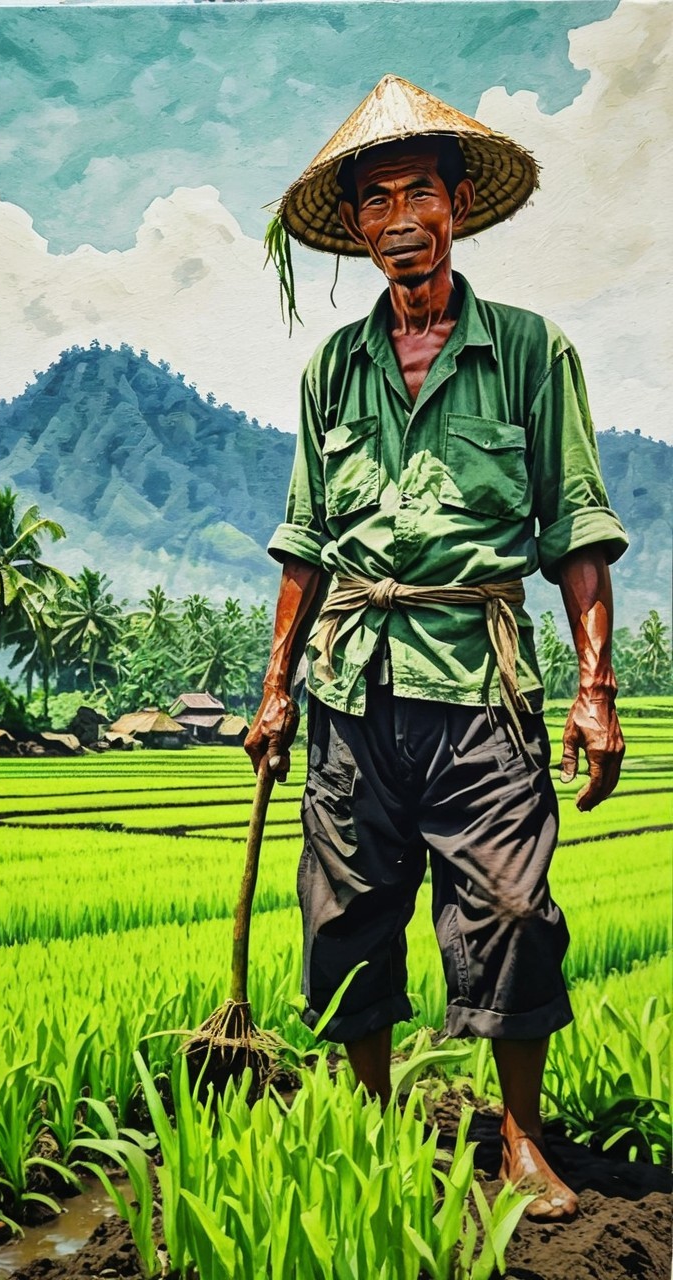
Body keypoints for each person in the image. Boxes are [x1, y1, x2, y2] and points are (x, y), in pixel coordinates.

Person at [244, 75, 628, 1221]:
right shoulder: (333, 368)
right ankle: (373, 1125)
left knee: (511, 907)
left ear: (457, 205)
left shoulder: (526, 352)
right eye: (376, 198)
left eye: (419, 189)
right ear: (356, 225)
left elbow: (577, 529)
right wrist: (273, 689)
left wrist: (596, 687)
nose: (399, 214)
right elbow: (306, 543)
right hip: (352, 685)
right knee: (348, 911)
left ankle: (519, 1138)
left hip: (477, 679)